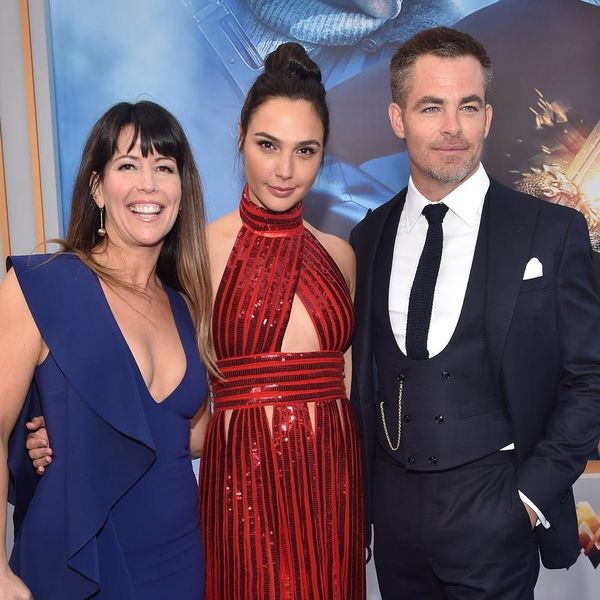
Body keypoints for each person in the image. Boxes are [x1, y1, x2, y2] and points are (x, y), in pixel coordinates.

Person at [349, 26, 600, 599]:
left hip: (497, 516)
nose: (452, 127)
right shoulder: (368, 237)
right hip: (393, 523)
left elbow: (589, 377)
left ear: (488, 117)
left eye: (468, 106)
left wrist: (528, 496)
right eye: (430, 107)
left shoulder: (550, 231)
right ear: (397, 119)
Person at [0, 101, 213, 599]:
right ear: (97, 187)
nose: (148, 185)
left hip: (181, 563)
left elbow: (190, 436)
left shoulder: (185, 306)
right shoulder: (40, 286)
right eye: (128, 165)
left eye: (165, 168)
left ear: (182, 191)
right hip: (82, 566)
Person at [200, 42, 365, 599]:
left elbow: (346, 382)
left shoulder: (340, 256)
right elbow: (156, 371)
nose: (285, 170)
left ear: (322, 155)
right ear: (240, 137)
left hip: (332, 485)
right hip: (241, 485)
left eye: (306, 151)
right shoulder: (197, 251)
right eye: (268, 145)